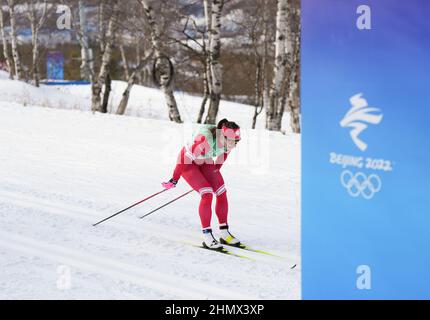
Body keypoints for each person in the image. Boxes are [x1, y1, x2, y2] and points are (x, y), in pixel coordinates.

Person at [161, 119, 241, 250]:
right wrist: (174, 179)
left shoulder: (228, 142)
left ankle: (224, 232)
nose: (235, 145)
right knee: (207, 194)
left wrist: (213, 174)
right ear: (223, 136)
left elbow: (222, 158)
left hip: (205, 161)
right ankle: (207, 235)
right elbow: (184, 158)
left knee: (221, 192)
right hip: (187, 164)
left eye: (237, 141)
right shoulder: (205, 140)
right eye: (233, 141)